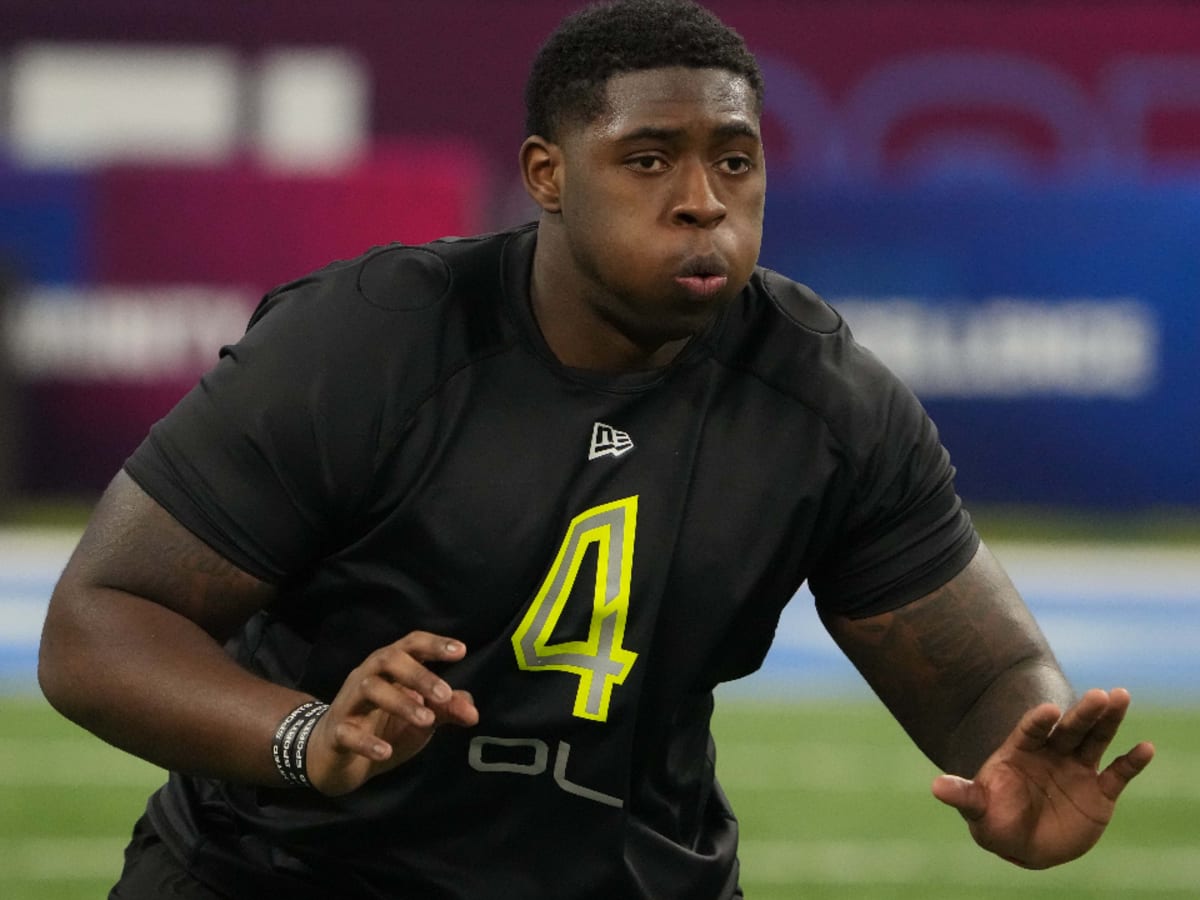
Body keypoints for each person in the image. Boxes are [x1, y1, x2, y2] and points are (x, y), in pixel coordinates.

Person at [38, 1, 1154, 898]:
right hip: (280, 871)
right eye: (650, 160)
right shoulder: (373, 340)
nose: (702, 204)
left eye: (734, 160)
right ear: (547, 175)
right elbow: (101, 622)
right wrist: (303, 736)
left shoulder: (823, 396)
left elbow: (980, 671)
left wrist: (1019, 749)